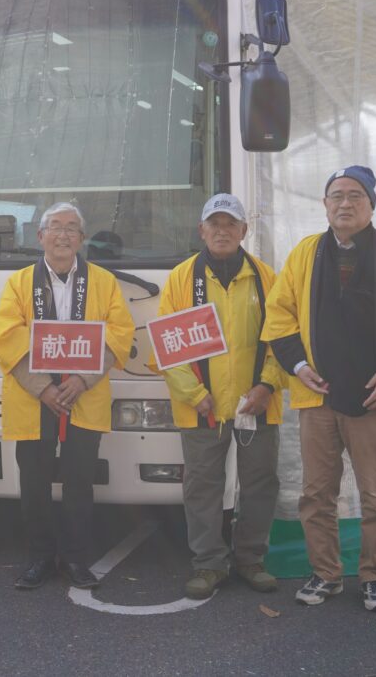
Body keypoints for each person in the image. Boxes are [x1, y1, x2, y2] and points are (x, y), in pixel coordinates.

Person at [263, 166, 376, 612]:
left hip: (372, 396)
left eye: (355, 195)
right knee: (316, 493)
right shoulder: (305, 254)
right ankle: (326, 572)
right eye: (336, 195)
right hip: (316, 395)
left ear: (371, 205)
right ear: (324, 205)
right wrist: (297, 365)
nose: (345, 203)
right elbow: (280, 314)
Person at [0, 202, 134, 590]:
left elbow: (120, 333)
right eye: (55, 227)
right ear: (40, 236)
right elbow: (7, 338)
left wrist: (83, 379)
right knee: (34, 482)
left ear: (82, 238)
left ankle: (75, 559)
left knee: (79, 482)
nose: (63, 234)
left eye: (72, 228)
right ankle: (39, 558)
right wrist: (44, 388)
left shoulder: (103, 282)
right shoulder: (20, 282)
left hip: (83, 395)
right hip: (33, 397)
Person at [153, 193, 286, 600]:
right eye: (215, 224)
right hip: (202, 407)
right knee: (202, 486)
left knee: (260, 484)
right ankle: (208, 564)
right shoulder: (180, 279)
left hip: (256, 404)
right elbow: (168, 344)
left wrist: (266, 386)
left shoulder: (267, 278)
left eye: (231, 224)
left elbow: (283, 338)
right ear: (202, 231)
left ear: (245, 231)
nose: (223, 231)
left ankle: (250, 560)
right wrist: (195, 394)